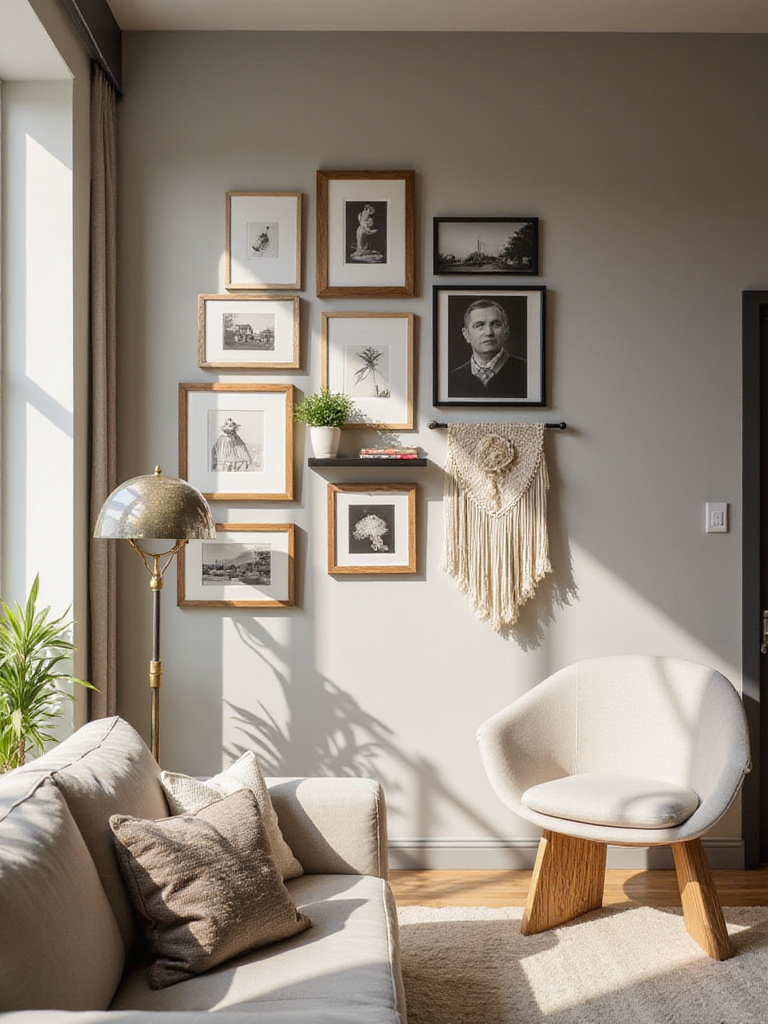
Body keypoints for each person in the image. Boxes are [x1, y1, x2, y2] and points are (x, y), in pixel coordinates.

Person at [448, 299, 527, 399]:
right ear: (466, 334)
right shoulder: (451, 380)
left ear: (506, 331)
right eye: (479, 326)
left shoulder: (528, 372)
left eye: (495, 324)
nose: (489, 332)